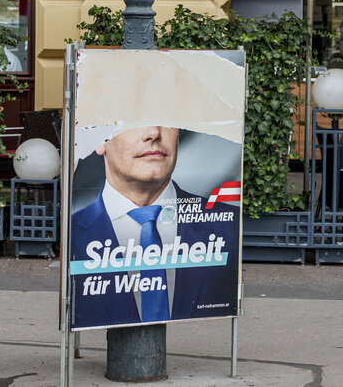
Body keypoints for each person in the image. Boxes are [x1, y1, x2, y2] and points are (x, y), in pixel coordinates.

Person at [69, 126, 239, 329]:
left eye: (166, 118)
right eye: (133, 120)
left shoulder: (228, 227)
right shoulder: (71, 234)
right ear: (98, 140)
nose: (153, 133)